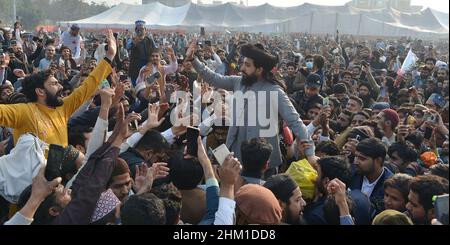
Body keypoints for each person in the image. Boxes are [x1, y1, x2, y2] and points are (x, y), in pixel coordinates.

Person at [185, 41, 316, 174]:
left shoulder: (275, 92)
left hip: (263, 164)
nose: (242, 68)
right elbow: (214, 78)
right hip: (237, 159)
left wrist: (310, 153)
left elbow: (295, 121)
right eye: (243, 63)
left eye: (247, 65)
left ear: (259, 69)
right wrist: (193, 60)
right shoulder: (238, 82)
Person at [0, 30, 116, 147]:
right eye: (54, 84)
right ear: (40, 91)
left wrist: (109, 56)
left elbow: (88, 86)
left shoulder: (62, 108)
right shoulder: (24, 112)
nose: (60, 86)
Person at [350, 138, 394, 214]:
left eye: (362, 159)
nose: (356, 162)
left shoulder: (391, 185)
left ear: (378, 161)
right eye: (356, 156)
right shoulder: (352, 172)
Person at [127, 20, 157, 85]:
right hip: (135, 69)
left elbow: (156, 51)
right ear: (135, 30)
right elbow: (128, 47)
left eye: (142, 29)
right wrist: (134, 42)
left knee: (148, 86)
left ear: (145, 30)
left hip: (148, 66)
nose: (140, 31)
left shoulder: (149, 40)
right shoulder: (132, 39)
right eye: (138, 29)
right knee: (137, 88)